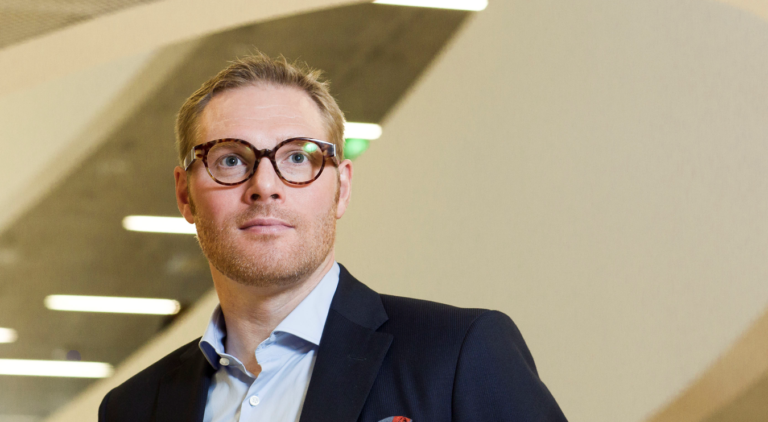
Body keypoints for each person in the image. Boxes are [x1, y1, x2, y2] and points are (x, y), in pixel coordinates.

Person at [98, 52, 567, 422]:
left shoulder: (459, 354)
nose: (265, 185)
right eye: (231, 160)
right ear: (185, 195)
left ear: (341, 188)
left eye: (298, 158)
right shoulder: (132, 409)